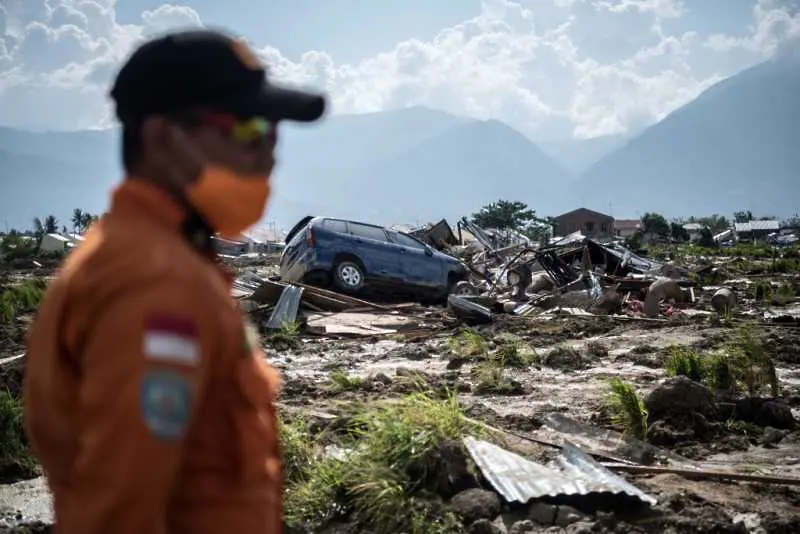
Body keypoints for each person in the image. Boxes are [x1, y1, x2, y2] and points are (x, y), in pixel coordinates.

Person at [23, 28, 325, 534]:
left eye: (274, 133)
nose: (269, 153)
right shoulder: (155, 284)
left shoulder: (154, 255)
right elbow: (119, 513)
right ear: (163, 137)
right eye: (249, 130)